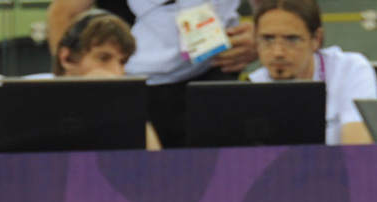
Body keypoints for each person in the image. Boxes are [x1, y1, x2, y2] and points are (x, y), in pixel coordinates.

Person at [46, 0, 257, 146]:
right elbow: (64, 13)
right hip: (128, 84)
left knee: (215, 181)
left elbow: (277, 11)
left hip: (212, 77)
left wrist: (262, 37)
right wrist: (71, 91)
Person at [0, 11, 161, 149]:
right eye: (103, 58)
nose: (117, 71)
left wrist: (124, 102)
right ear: (66, 58)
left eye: (122, 62)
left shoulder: (122, 109)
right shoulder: (19, 98)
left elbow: (155, 163)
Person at [247, 0, 377, 145]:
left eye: (292, 39)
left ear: (317, 39)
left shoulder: (350, 70)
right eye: (268, 39)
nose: (278, 52)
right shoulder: (253, 85)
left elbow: (357, 153)